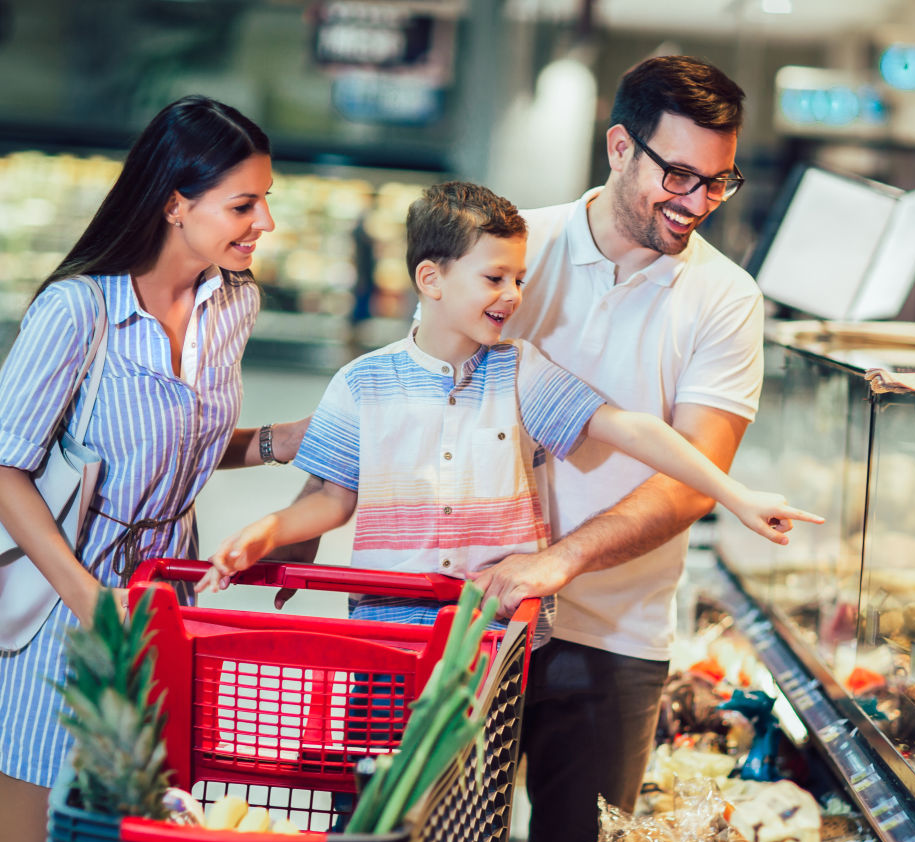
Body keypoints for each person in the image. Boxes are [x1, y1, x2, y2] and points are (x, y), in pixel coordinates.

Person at [0, 95, 306, 842]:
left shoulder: (233, 305)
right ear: (173, 202)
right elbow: (2, 467)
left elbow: (174, 447)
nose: (265, 221)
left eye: (265, 199)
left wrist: (270, 443)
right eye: (243, 204)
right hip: (59, 616)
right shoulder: (78, 313)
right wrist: (89, 601)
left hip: (165, 611)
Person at [459, 56, 771, 842]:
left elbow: (689, 480)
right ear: (619, 146)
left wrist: (559, 561)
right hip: (473, 617)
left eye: (718, 180)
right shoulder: (520, 250)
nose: (698, 200)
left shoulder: (724, 299)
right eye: (678, 175)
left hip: (618, 637)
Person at [198, 181, 819, 619]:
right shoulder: (363, 382)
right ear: (431, 278)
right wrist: (264, 532)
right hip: (386, 629)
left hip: (493, 636)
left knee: (473, 803)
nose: (513, 294)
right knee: (379, 790)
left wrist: (735, 497)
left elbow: (631, 428)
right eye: (495, 278)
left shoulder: (520, 371)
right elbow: (334, 498)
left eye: (519, 278)